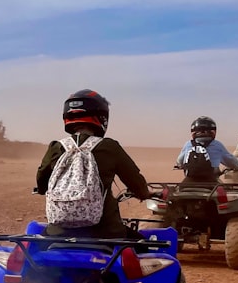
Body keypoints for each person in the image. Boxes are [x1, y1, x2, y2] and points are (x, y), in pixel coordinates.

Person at [35, 89, 154, 238]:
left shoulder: (56, 147)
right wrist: (144, 193)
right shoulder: (109, 147)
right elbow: (134, 179)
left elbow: (41, 179)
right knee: (143, 245)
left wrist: (41, 189)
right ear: (101, 117)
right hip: (106, 231)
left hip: (58, 232)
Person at [175, 116, 238, 183]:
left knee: (177, 192)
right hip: (212, 181)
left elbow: (179, 161)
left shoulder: (188, 144)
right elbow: (230, 160)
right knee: (225, 194)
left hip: (189, 180)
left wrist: (179, 165)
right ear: (212, 131)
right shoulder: (217, 145)